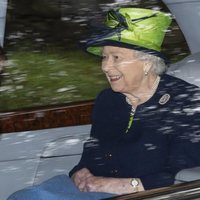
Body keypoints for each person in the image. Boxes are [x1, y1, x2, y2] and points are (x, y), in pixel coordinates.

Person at [7, 7, 200, 200]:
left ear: (147, 63)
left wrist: (124, 185)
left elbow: (183, 176)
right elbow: (93, 153)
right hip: (93, 189)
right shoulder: (108, 100)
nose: (105, 66)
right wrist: (79, 172)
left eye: (116, 57)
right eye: (104, 57)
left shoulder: (185, 102)